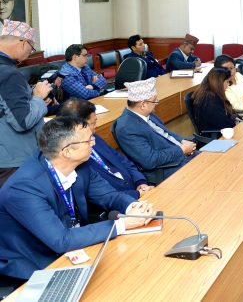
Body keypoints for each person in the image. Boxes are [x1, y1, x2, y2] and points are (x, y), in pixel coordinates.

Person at [0, 117, 154, 281]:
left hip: (74, 244)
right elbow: (60, 240)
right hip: (36, 262)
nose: (94, 143)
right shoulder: (23, 188)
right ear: (67, 152)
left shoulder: (80, 165)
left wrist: (133, 208)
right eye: (88, 140)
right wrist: (122, 224)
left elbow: (109, 195)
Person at [58, 98, 152, 200]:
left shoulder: (94, 137)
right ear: (77, 127)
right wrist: (137, 194)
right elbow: (99, 197)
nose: (96, 126)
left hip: (137, 191)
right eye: (92, 123)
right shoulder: (73, 158)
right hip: (120, 202)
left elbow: (123, 160)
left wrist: (140, 182)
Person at [114, 78, 196, 184]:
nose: (157, 103)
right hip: (168, 169)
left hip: (180, 156)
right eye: (154, 100)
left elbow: (167, 133)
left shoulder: (148, 114)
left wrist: (182, 141)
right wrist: (182, 149)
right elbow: (150, 160)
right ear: (143, 105)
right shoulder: (126, 128)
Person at [0, 20, 51, 185]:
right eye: (32, 48)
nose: (30, 53)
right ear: (23, 42)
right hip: (13, 158)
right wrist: (38, 97)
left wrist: (32, 98)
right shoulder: (8, 73)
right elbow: (22, 122)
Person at [190, 67, 237, 132]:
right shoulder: (209, 101)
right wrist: (237, 124)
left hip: (222, 130)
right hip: (218, 135)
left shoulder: (210, 93)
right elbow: (224, 124)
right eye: (227, 82)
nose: (228, 84)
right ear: (219, 83)